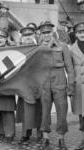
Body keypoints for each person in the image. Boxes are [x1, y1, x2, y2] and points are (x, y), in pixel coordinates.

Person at [38, 21, 74, 150]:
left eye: (48, 32)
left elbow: (69, 68)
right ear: (40, 34)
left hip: (59, 80)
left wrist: (71, 85)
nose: (46, 35)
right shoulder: (38, 48)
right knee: (45, 111)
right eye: (43, 33)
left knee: (62, 111)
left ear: (53, 32)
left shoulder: (62, 46)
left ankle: (61, 138)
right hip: (44, 81)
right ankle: (45, 138)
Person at [16, 25, 42, 143]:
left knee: (39, 109)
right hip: (24, 84)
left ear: (34, 35)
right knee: (25, 110)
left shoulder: (39, 48)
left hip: (37, 83)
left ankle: (40, 133)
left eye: (29, 35)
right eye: (25, 35)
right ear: (22, 37)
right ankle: (25, 134)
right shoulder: (17, 50)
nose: (27, 38)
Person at [0, 28, 16, 143]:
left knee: (8, 110)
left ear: (6, 39)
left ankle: (10, 133)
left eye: (2, 38)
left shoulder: (10, 51)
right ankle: (1, 132)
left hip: (7, 85)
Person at [70, 21, 84, 150]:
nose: (82, 34)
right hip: (79, 86)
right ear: (75, 34)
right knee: (82, 114)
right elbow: (69, 68)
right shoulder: (71, 49)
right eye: (80, 32)